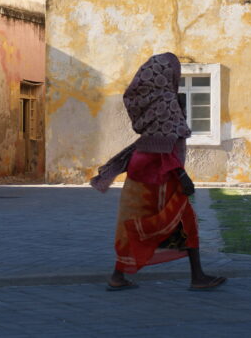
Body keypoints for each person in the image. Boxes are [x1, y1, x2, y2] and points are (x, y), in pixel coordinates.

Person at [91, 52, 226, 291]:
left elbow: (157, 137)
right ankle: (197, 277)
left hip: (139, 171)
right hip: (161, 174)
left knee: (130, 223)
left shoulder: (155, 101)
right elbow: (166, 144)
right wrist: (183, 176)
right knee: (187, 223)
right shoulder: (167, 104)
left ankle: (118, 276)